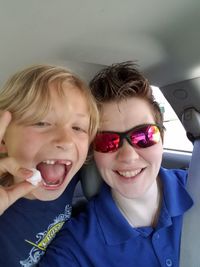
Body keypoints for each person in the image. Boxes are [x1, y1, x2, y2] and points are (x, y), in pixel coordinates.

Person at [38, 62, 193, 267]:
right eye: (107, 141)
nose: (128, 156)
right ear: (93, 151)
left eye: (143, 135)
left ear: (162, 137)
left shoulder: (195, 187)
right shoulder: (76, 248)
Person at [0, 64, 99, 267]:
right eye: (42, 123)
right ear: (3, 139)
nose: (66, 140)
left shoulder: (72, 174)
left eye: (78, 127)